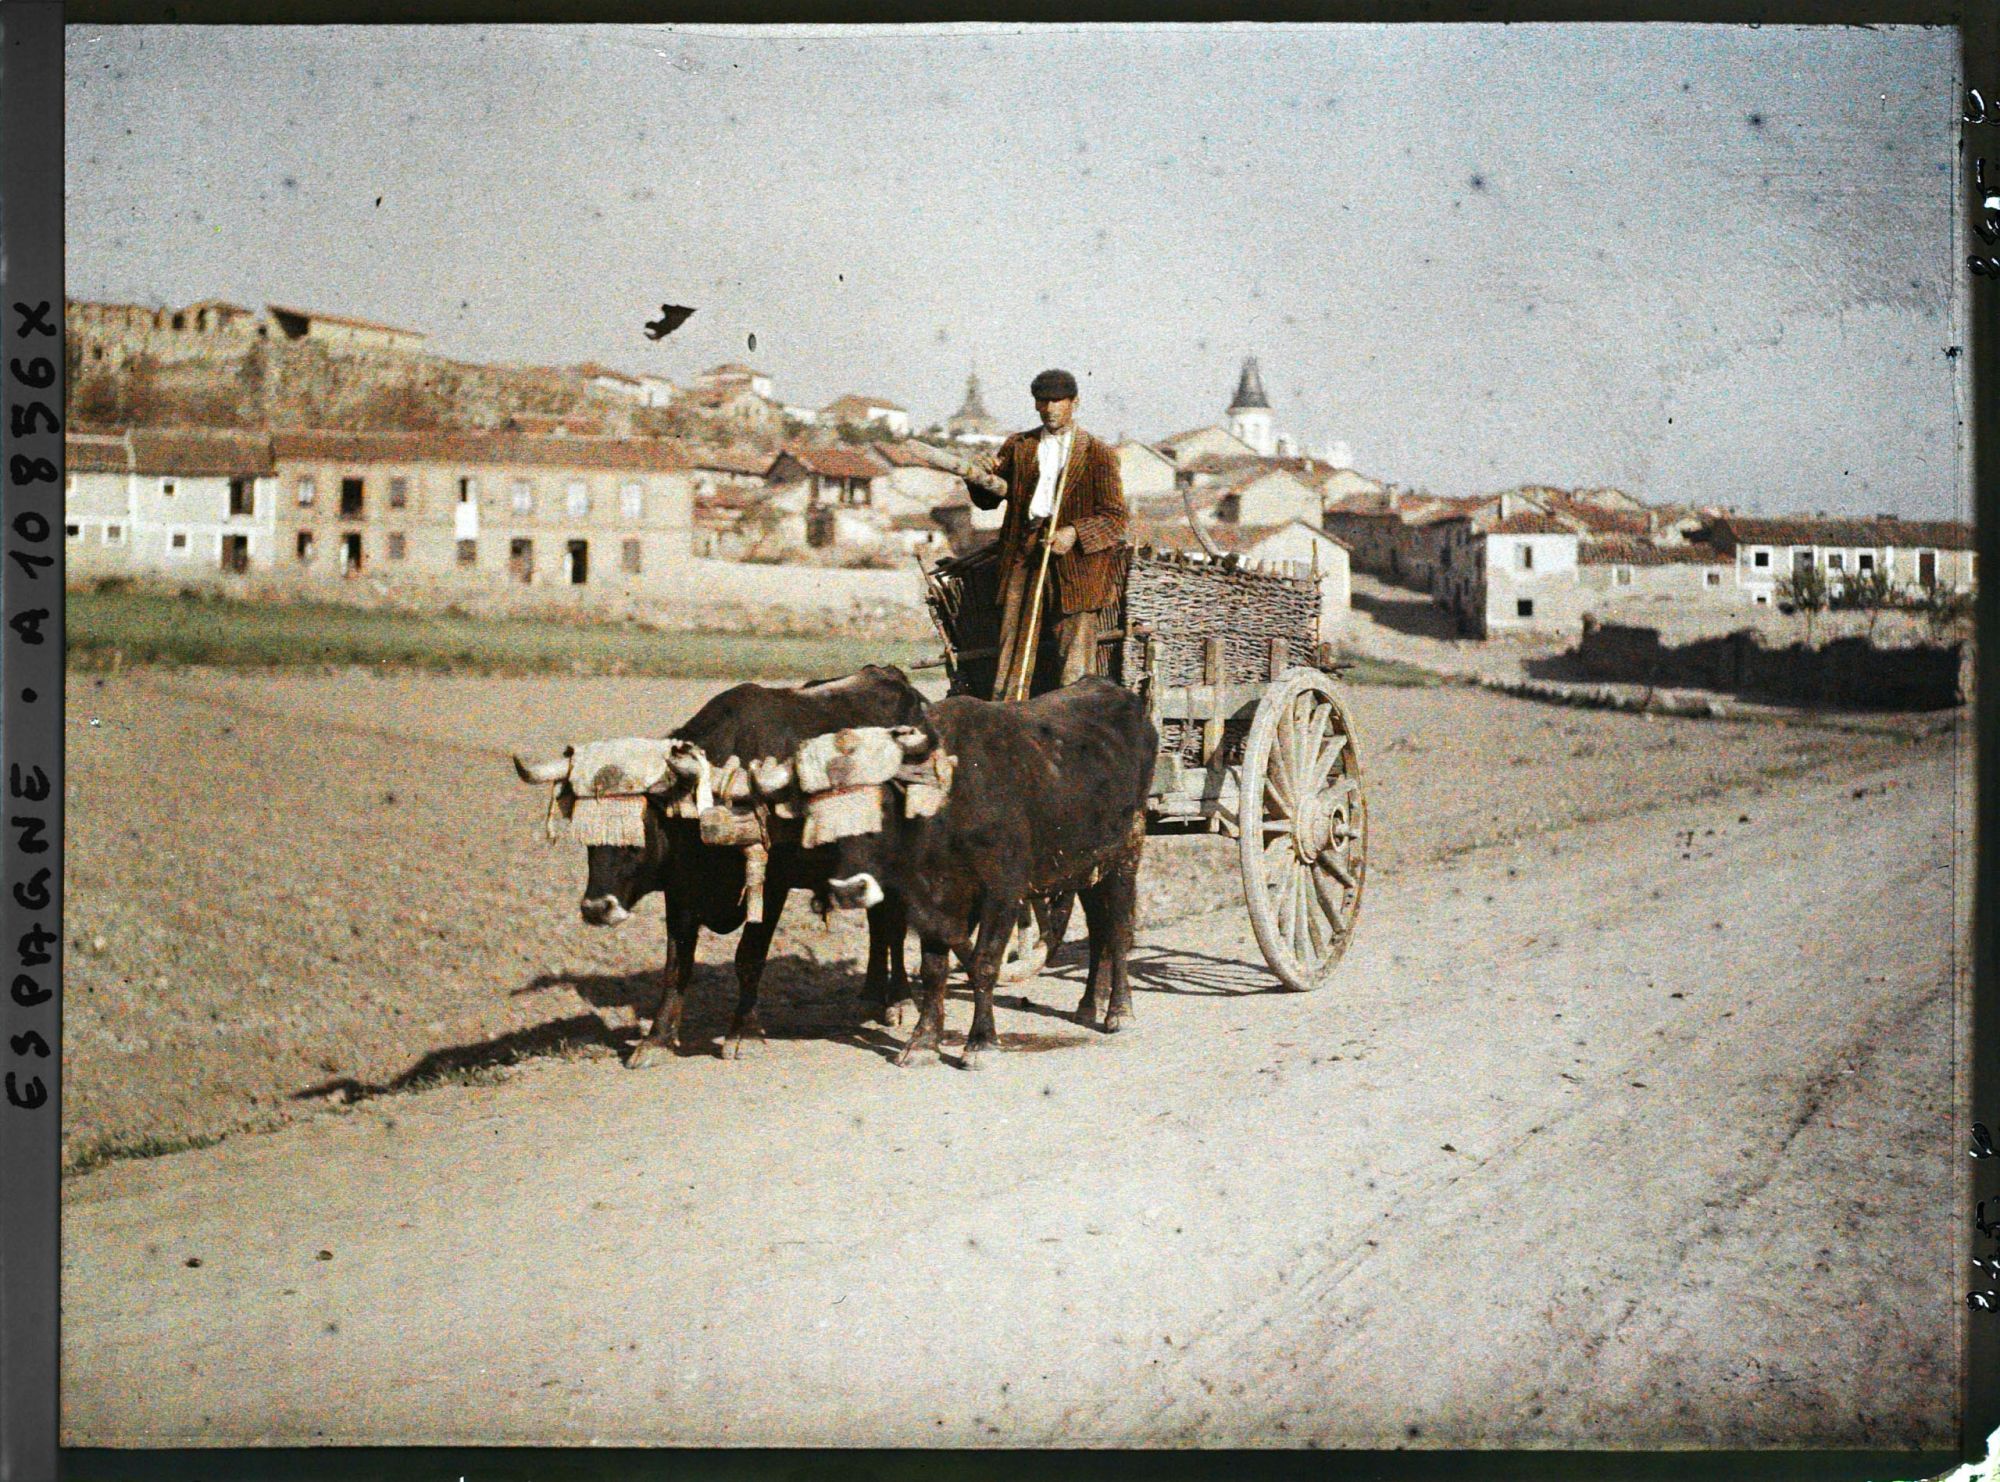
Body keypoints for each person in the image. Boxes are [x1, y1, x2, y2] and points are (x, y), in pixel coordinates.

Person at [968, 368, 1131, 700]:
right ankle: (1009, 712)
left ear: (1075, 403)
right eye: (1043, 401)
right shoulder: (1019, 446)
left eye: (1058, 401)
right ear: (1035, 405)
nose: (1050, 408)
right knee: (1014, 646)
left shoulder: (1096, 453)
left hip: (1077, 565)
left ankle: (1075, 716)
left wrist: (1073, 532)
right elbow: (989, 500)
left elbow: (1115, 518)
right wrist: (977, 477)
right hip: (1025, 553)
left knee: (1074, 657)